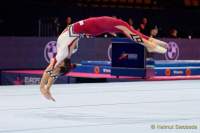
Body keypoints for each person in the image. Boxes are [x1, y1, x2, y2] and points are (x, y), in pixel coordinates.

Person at [40, 16, 167, 101]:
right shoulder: (68, 52)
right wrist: (48, 88)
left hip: (95, 26)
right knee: (126, 28)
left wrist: (43, 88)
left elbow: (51, 69)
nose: (57, 67)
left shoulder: (63, 53)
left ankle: (149, 43)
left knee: (127, 29)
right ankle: (149, 42)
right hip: (94, 27)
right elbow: (55, 71)